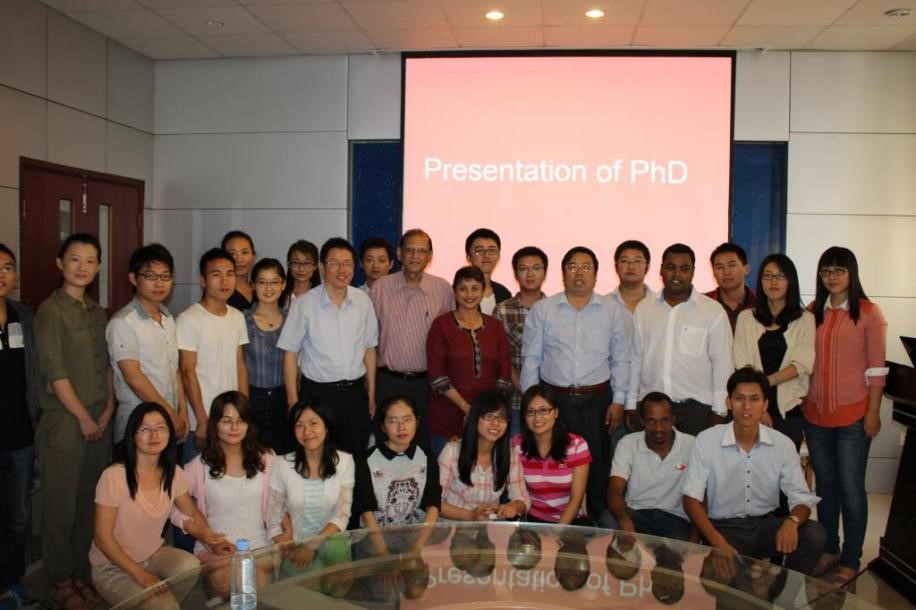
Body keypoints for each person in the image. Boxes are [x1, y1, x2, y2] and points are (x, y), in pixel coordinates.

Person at [34, 233, 114, 609]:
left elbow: (107, 366)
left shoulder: (97, 312)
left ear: (99, 267)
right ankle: (60, 579)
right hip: (66, 422)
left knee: (89, 502)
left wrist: (109, 408)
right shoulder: (50, 311)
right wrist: (83, 417)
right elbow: (56, 374)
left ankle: (82, 571)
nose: (82, 267)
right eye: (74, 259)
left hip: (100, 419)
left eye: (90, 260)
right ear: (60, 263)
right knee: (61, 505)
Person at [521, 246, 631, 518]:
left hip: (598, 400)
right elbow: (531, 359)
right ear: (563, 274)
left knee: (597, 463)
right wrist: (532, 404)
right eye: (572, 267)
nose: (579, 273)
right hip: (554, 400)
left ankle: (596, 523)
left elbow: (621, 359)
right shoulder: (543, 310)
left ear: (596, 274)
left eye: (586, 267)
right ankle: (555, 520)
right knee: (555, 461)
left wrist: (619, 401)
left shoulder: (613, 311)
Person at [682, 367, 825, 576]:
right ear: (729, 403)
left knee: (814, 534)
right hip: (724, 529)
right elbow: (690, 499)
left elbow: (802, 499)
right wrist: (717, 541)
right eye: (739, 398)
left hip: (765, 527)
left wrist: (792, 521)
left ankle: (784, 587)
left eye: (754, 399)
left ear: (765, 405)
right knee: (730, 585)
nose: (746, 406)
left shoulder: (782, 444)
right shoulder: (707, 439)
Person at [802, 246, 887, 587]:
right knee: (825, 488)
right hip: (815, 417)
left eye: (839, 270)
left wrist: (872, 413)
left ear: (851, 273)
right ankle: (830, 550)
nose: (832, 277)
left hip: (854, 417)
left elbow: (877, 370)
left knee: (851, 489)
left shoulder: (868, 312)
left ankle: (851, 559)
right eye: (826, 271)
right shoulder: (812, 312)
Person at [90, 402, 228, 609]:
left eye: (161, 428)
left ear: (170, 434)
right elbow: (102, 538)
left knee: (189, 566)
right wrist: (141, 575)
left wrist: (211, 540)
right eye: (145, 429)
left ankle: (160, 603)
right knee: (162, 605)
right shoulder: (113, 476)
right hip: (112, 566)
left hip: (153, 555)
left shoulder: (173, 473)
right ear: (132, 435)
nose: (154, 435)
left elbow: (191, 512)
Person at [278, 237, 379, 457]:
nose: (342, 269)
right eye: (334, 263)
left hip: (355, 395)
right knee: (318, 458)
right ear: (322, 267)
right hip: (318, 394)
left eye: (347, 263)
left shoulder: (362, 301)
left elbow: (369, 349)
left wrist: (371, 392)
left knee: (355, 458)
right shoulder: (304, 304)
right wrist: (293, 400)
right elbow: (290, 354)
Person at [626, 243, 733, 436]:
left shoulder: (712, 311)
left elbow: (722, 363)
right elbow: (635, 359)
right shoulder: (644, 309)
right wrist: (631, 403)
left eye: (684, 269)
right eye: (671, 267)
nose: (677, 274)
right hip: (651, 409)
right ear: (661, 269)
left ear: (693, 272)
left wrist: (719, 410)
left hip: (696, 411)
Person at [179, 392, 275, 598]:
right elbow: (171, 503)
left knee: (258, 591)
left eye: (240, 420)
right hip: (216, 548)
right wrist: (198, 532)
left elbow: (280, 503)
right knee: (226, 584)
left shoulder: (266, 459)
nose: (234, 427)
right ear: (215, 424)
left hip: (258, 545)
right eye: (226, 420)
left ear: (249, 424)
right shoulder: (198, 466)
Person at [370, 229, 454, 452]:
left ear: (430, 256)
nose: (416, 256)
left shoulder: (443, 289)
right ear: (399, 253)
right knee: (385, 442)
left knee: (423, 445)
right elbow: (369, 338)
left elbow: (449, 339)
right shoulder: (381, 287)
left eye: (422, 251)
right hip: (387, 381)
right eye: (410, 250)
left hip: (425, 384)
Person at [107, 243, 188, 450]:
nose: (159, 283)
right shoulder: (123, 322)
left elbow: (175, 370)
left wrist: (183, 412)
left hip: (167, 425)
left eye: (165, 276)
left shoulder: (168, 319)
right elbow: (133, 377)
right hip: (137, 428)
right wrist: (170, 415)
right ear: (133, 278)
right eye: (151, 276)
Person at [426, 266, 512, 456]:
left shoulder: (496, 327)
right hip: (447, 416)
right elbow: (437, 377)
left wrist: (485, 412)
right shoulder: (441, 325)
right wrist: (468, 409)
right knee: (446, 471)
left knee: (485, 471)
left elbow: (504, 374)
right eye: (463, 288)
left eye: (475, 288)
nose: (469, 294)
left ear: (483, 291)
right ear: (455, 292)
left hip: (488, 419)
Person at [734, 254, 814, 449]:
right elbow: (742, 364)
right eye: (768, 276)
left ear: (791, 281)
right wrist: (760, 408)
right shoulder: (746, 318)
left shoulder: (805, 320)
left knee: (785, 466)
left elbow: (801, 365)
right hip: (751, 411)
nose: (773, 282)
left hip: (789, 412)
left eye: (780, 276)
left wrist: (764, 383)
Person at [177, 248, 249, 461]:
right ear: (203, 280)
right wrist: (202, 419)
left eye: (230, 274)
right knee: (196, 479)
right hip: (202, 420)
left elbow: (240, 365)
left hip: (232, 419)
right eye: (216, 274)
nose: (224, 281)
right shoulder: (189, 319)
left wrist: (244, 412)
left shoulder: (237, 317)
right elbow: (187, 372)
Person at [266, 399, 355, 570]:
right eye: (299, 425)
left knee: (338, 568)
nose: (306, 431)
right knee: (306, 583)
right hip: (295, 545)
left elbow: (342, 514)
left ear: (326, 426)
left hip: (331, 542)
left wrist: (312, 545)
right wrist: (285, 544)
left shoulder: (345, 461)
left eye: (313, 423)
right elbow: (272, 514)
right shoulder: (281, 464)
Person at [0, 244, 40, 609]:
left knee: (16, 517)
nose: (2, 275)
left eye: (7, 267)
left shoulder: (24, 316)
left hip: (20, 438)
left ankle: (10, 583)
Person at [353, 395, 441, 554]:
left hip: (416, 541)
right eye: (393, 421)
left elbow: (433, 506)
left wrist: (417, 547)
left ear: (417, 423)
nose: (401, 427)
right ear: (383, 427)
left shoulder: (426, 456)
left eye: (407, 420)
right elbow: (367, 514)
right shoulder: (366, 460)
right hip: (374, 543)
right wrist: (383, 555)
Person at [602, 392, 694, 541]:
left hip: (675, 520)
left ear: (673, 420)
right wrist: (624, 520)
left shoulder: (692, 445)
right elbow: (615, 490)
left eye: (664, 420)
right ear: (642, 421)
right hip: (636, 513)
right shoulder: (627, 443)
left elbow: (700, 497)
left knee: (676, 543)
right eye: (651, 421)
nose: (658, 428)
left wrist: (694, 539)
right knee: (608, 519)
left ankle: (644, 549)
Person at [439, 391, 530, 521]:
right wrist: (470, 515)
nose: (495, 423)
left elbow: (523, 498)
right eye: (488, 416)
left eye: (502, 417)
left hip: (488, 528)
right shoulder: (452, 452)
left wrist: (514, 507)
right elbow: (434, 502)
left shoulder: (510, 455)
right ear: (475, 418)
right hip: (453, 527)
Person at [511, 384, 591, 525]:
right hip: (534, 521)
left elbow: (576, 499)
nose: (537, 417)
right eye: (530, 412)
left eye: (543, 410)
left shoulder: (577, 445)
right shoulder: (516, 445)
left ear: (556, 412)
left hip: (571, 521)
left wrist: (556, 532)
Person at [494, 246, 548, 436]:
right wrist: (527, 392)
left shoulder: (555, 310)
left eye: (536, 268)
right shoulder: (502, 310)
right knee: (514, 451)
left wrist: (541, 397)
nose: (530, 274)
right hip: (514, 401)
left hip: (549, 402)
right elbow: (500, 357)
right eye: (523, 268)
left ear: (545, 272)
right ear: (516, 273)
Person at [245, 258, 294, 454]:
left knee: (285, 458)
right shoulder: (242, 319)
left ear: (283, 284)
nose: (268, 288)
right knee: (253, 457)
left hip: (285, 398)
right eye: (262, 282)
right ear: (253, 285)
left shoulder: (292, 318)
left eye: (274, 282)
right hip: (252, 397)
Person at [705, 242, 756, 332]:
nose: (726, 272)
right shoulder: (703, 304)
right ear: (713, 272)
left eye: (732, 265)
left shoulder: (760, 304)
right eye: (720, 267)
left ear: (746, 269)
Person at [464, 228, 511, 314]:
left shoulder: (503, 293)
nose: (486, 255)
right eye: (479, 250)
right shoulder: (457, 293)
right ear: (468, 257)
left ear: (498, 256)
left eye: (491, 250)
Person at [608, 240, 655, 313]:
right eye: (625, 261)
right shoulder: (604, 304)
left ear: (647, 267)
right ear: (616, 267)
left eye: (637, 261)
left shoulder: (660, 304)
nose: (631, 266)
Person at [222, 230, 256, 311]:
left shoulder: (261, 288)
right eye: (232, 254)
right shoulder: (218, 291)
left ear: (253, 257)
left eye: (244, 252)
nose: (239, 259)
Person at [285, 240, 320, 305]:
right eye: (296, 263)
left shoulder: (322, 296)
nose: (301, 269)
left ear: (315, 266)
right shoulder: (279, 295)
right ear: (289, 265)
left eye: (307, 263)